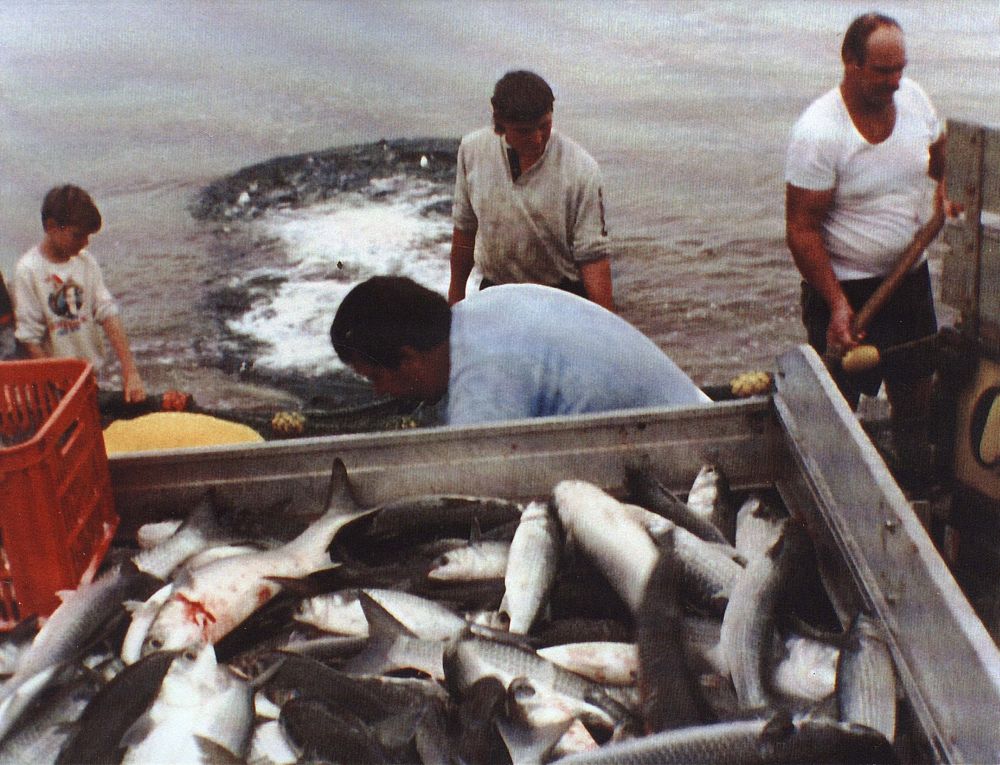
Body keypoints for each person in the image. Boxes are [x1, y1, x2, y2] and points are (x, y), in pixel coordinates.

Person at [785, 12, 948, 478]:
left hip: (908, 278)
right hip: (845, 290)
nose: (896, 82)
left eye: (901, 69)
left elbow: (942, 158)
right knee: (835, 415)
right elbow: (801, 229)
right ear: (850, 62)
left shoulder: (913, 99)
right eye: (883, 71)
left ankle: (915, 483)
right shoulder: (819, 132)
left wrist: (946, 190)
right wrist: (837, 304)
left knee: (915, 397)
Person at [331, 276, 708, 427]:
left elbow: (481, 493)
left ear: (409, 357)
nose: (379, 391)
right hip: (695, 406)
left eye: (376, 377)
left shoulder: (484, 383)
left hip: (686, 447)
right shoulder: (481, 308)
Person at [448, 70, 614, 311]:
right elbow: (464, 230)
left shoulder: (582, 169)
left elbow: (594, 257)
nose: (537, 139)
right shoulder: (472, 151)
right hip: (497, 290)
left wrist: (606, 322)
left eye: (544, 126)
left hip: (562, 295)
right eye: (525, 131)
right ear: (499, 124)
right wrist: (455, 298)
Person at [12, 185, 146, 402]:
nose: (85, 243)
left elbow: (107, 312)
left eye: (88, 236)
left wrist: (130, 371)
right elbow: (29, 338)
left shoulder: (85, 262)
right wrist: (57, 379)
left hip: (91, 374)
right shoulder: (28, 271)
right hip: (55, 384)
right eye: (77, 235)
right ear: (51, 227)